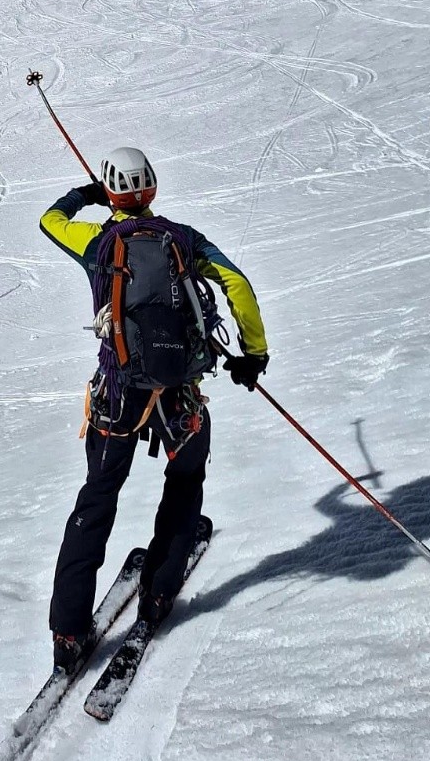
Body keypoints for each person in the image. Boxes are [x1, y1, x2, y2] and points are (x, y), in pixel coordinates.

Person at [40, 145, 268, 671]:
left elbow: (50, 220)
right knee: (185, 480)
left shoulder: (98, 242)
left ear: (114, 192)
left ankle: (68, 631)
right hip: (179, 394)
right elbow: (238, 285)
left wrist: (86, 196)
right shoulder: (185, 241)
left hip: (118, 395)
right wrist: (252, 355)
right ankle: (160, 591)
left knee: (97, 498)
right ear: (154, 190)